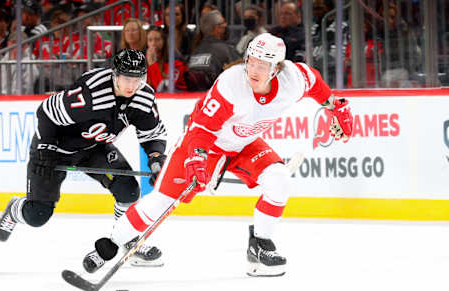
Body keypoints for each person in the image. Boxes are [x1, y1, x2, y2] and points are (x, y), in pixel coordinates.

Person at [80, 33, 353, 277]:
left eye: (263, 64)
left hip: (245, 144)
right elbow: (201, 129)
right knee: (161, 202)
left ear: (277, 68)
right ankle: (110, 245)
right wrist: (196, 157)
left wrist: (335, 107)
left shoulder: (293, 78)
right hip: (206, 143)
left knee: (280, 180)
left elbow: (316, 84)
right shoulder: (231, 84)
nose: (254, 69)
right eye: (252, 60)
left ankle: (260, 247)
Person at [0, 49, 168, 267]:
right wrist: (47, 148)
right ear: (115, 74)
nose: (132, 85)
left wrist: (155, 157)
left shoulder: (144, 97)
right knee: (37, 215)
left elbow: (152, 134)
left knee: (128, 190)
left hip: (93, 148)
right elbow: (46, 112)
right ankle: (15, 209)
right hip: (54, 149)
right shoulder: (91, 93)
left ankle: (127, 239)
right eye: (126, 78)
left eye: (137, 79)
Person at [184, 10, 240, 91]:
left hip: (195, 96)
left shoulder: (196, 50)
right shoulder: (225, 50)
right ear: (217, 28)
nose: (226, 25)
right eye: (223, 22)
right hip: (219, 95)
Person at [145, 25, 187, 92]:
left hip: (178, 98)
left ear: (164, 41)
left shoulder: (175, 60)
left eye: (157, 39)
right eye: (150, 40)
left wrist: (152, 65)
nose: (153, 43)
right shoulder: (145, 58)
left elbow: (163, 89)